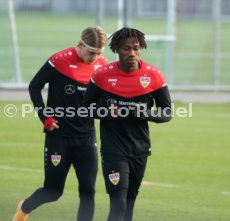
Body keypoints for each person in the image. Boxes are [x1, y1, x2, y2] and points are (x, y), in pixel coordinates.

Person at [12, 27, 108, 221]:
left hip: (87, 138)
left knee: (88, 191)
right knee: (53, 191)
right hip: (59, 138)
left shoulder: (102, 65)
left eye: (99, 54)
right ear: (80, 45)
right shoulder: (58, 61)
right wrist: (45, 117)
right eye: (91, 53)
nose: (95, 58)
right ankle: (23, 209)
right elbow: (34, 86)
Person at [83, 27, 172, 221]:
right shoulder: (102, 75)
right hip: (113, 149)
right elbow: (85, 108)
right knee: (118, 204)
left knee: (129, 203)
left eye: (136, 48)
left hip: (140, 149)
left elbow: (167, 112)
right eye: (126, 48)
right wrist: (104, 112)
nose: (132, 53)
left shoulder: (154, 76)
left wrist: (146, 113)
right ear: (116, 50)